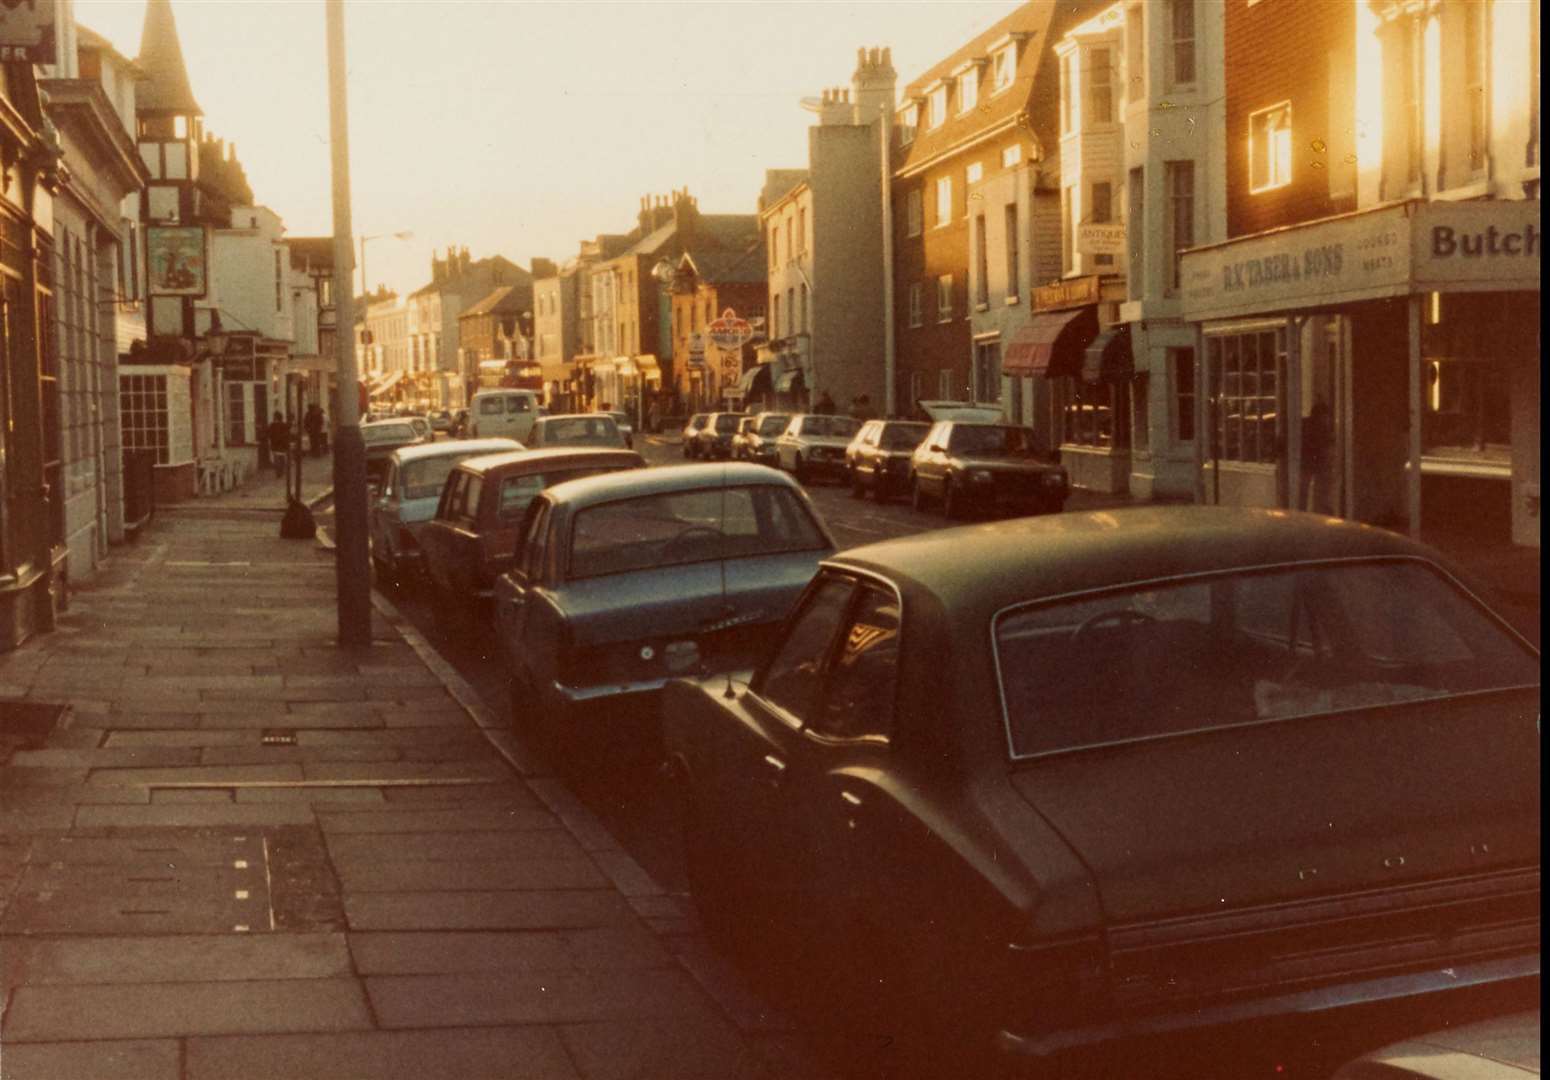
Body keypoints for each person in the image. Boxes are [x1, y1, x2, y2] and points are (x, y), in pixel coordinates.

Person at [1300, 399, 1331, 513]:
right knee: (1316, 492)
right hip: (1313, 464)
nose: (1327, 419)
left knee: (1303, 492)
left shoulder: (1304, 424)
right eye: (1326, 416)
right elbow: (1325, 445)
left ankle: (1302, 512)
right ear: (1321, 415)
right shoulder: (1321, 428)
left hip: (1305, 463)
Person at [267, 411, 290, 478]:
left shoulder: (272, 425)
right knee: (282, 458)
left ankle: (278, 472)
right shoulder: (284, 425)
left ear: (275, 417)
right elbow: (287, 434)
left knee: (276, 459)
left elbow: (269, 434)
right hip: (283, 444)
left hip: (275, 444)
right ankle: (281, 471)